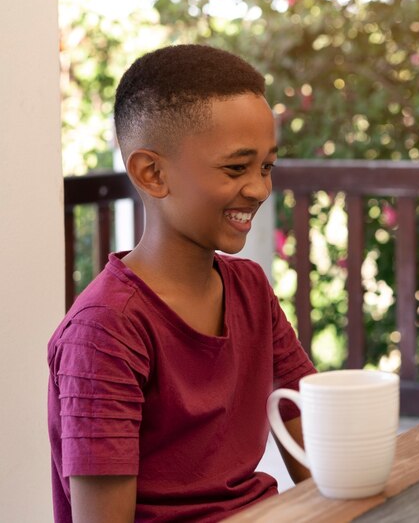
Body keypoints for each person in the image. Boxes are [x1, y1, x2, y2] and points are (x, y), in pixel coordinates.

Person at [48, 45, 317, 522]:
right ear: (152, 173)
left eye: (266, 166)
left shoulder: (250, 288)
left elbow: (317, 461)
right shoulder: (106, 330)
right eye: (236, 168)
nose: (258, 188)